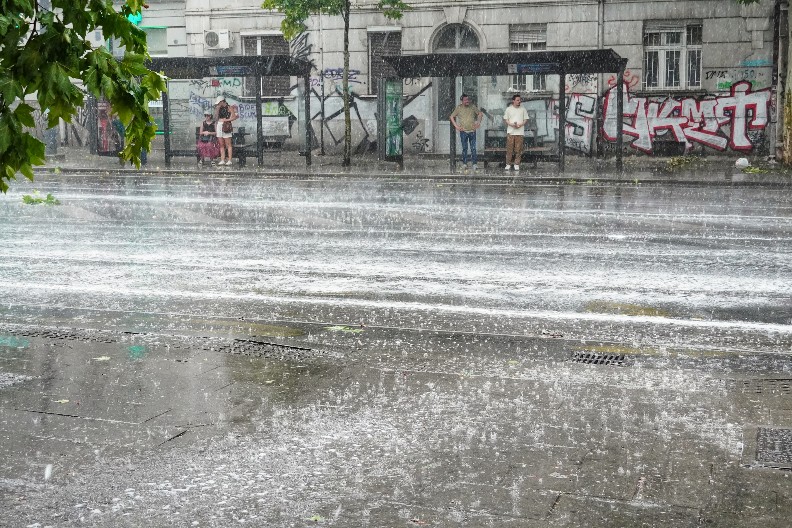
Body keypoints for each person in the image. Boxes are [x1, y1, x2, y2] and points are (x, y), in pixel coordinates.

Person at [449, 93, 483, 174]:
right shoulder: (459, 108)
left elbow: (480, 114)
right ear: (462, 101)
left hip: (472, 131)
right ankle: (465, 163)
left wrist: (478, 123)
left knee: (473, 148)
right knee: (465, 148)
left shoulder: (472, 106)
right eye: (465, 100)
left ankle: (474, 164)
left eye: (468, 99)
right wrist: (456, 126)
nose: (467, 101)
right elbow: (451, 117)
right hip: (463, 131)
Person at [503, 94, 530, 172]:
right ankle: (508, 164)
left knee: (518, 149)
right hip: (511, 132)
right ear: (513, 101)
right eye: (517, 100)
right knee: (509, 149)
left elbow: (525, 119)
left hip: (520, 132)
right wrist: (512, 124)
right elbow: (506, 119)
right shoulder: (508, 109)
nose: (519, 101)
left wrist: (520, 125)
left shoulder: (523, 109)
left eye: (520, 100)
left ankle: (516, 164)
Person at [214, 95, 238, 166]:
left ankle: (229, 159)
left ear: (222, 101)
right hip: (219, 124)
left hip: (226, 125)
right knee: (221, 144)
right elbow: (215, 117)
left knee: (228, 144)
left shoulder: (229, 107)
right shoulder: (219, 108)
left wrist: (226, 120)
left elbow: (234, 117)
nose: (218, 104)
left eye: (219, 103)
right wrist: (217, 109)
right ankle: (222, 159)